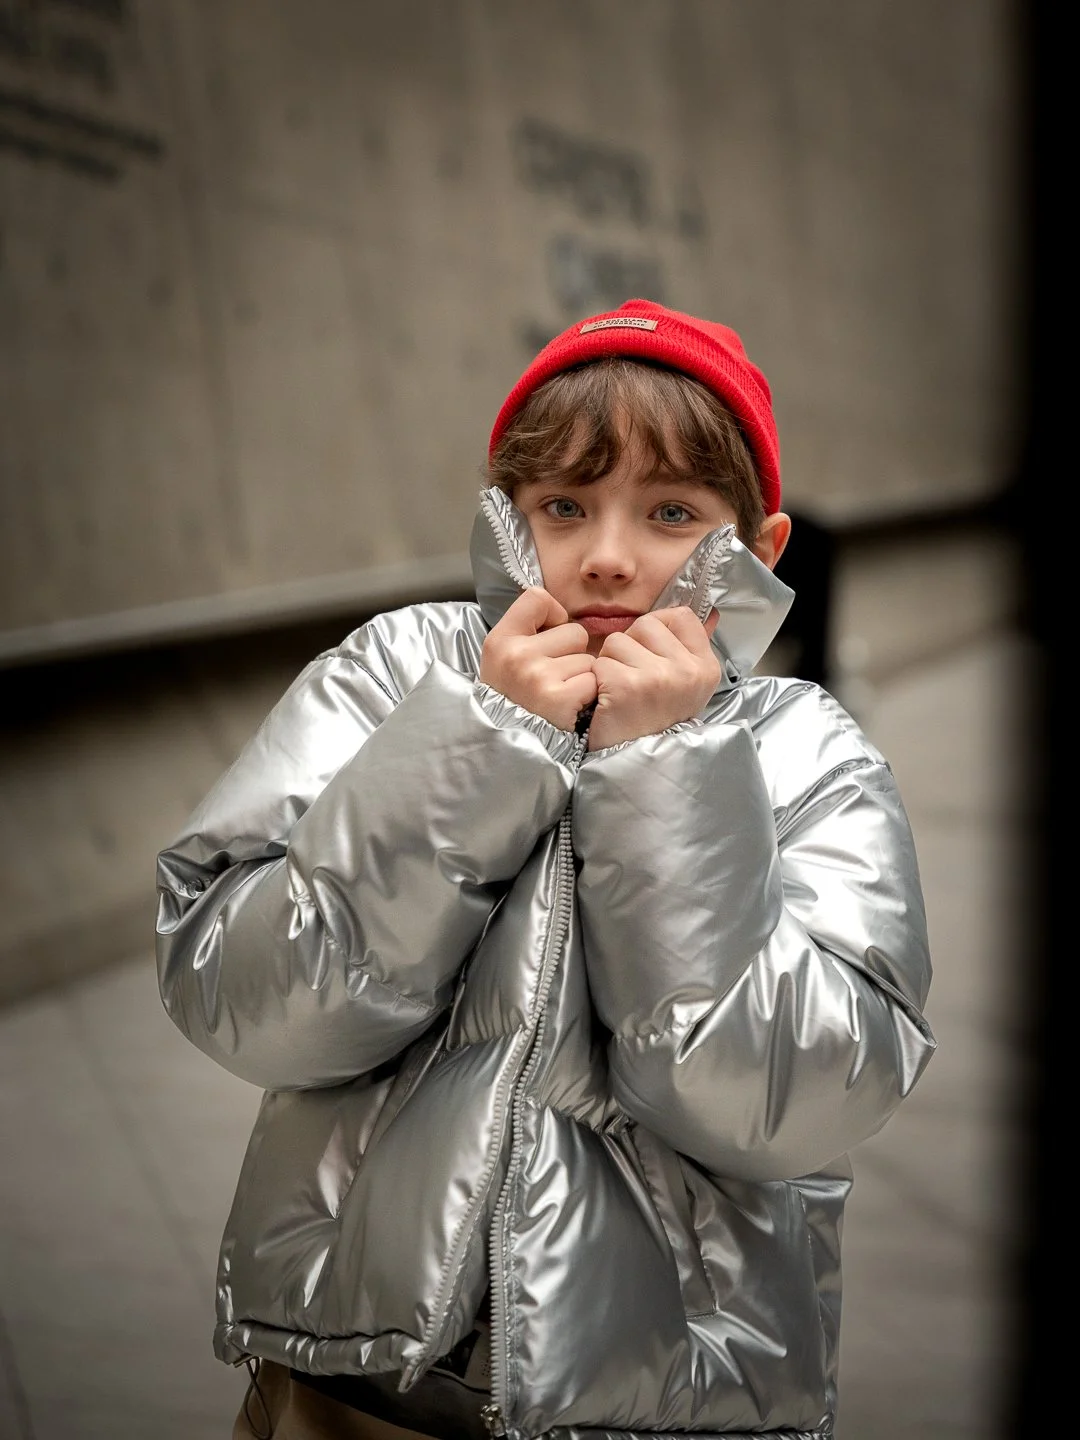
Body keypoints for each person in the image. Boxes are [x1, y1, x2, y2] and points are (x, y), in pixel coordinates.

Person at [155, 298, 935, 1440]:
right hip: (345, 1385)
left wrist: (668, 770)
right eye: (563, 505)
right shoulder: (396, 678)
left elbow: (798, 1101)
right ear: (506, 522)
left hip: (668, 1404)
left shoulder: (806, 752)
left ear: (756, 550)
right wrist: (480, 747)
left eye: (672, 512)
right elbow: (247, 1000)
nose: (609, 558)